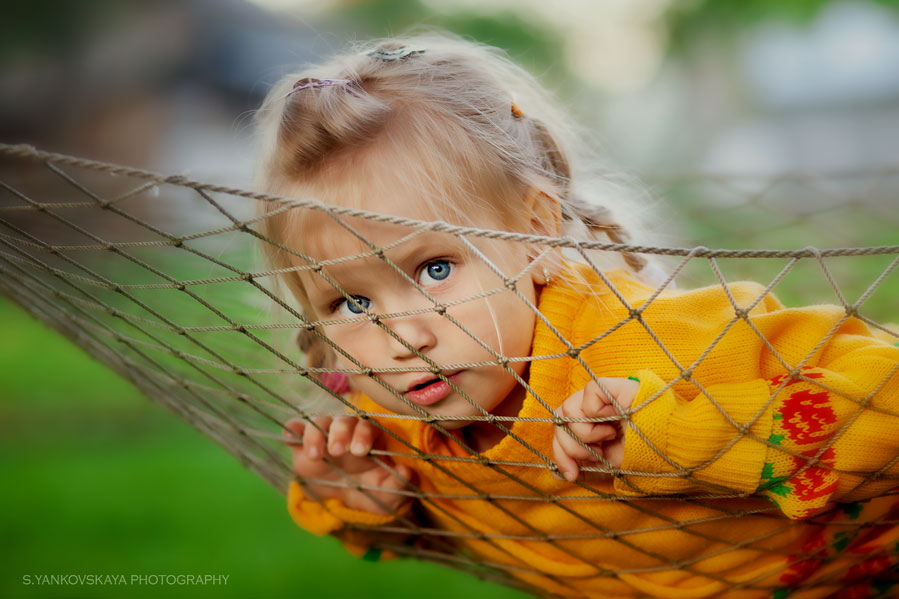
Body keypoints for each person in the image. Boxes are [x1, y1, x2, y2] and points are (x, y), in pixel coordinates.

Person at [255, 32, 899, 599]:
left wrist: (665, 434)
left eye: (435, 270)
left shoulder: (651, 340)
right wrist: (370, 504)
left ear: (536, 231)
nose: (403, 339)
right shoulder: (390, 415)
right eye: (353, 303)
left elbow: (888, 395)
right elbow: (418, 536)